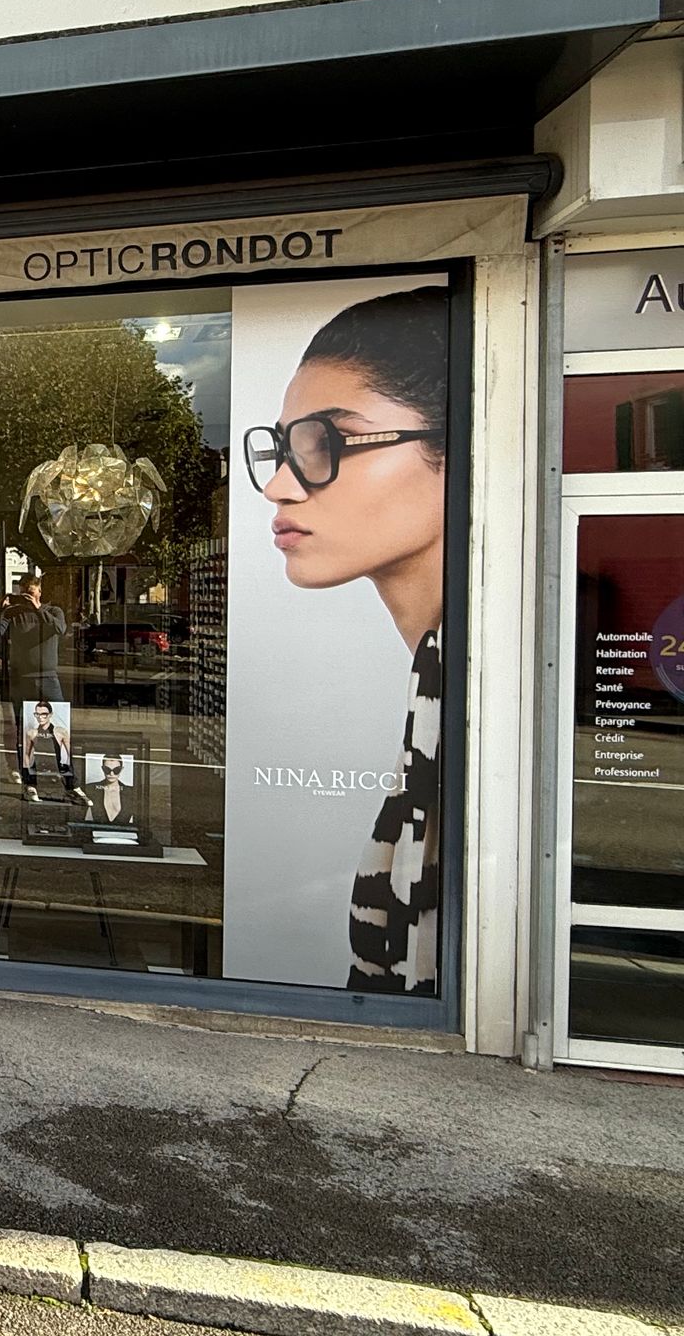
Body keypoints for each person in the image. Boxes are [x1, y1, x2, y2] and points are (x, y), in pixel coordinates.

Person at [245, 286, 448, 996]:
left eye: (325, 443)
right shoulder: (441, 687)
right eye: (282, 448)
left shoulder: (479, 707)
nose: (277, 486)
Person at [0, 572, 69, 796]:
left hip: (48, 677)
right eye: (24, 592)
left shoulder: (52, 611)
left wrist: (37, 609)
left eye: (32, 591)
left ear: (39, 591)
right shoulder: (14, 614)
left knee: (61, 731)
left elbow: (59, 629)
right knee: (27, 733)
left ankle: (69, 781)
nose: (27, 596)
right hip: (22, 678)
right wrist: (1, 611)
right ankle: (30, 782)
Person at [21, 700, 74, 802]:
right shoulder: (31, 733)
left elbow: (70, 754)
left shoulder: (60, 732)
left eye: (44, 714)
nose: (40, 717)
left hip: (56, 769)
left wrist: (68, 775)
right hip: (38, 769)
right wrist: (29, 776)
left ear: (50, 715)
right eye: (37, 714)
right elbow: (27, 754)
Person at [82, 756, 138, 827]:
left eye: (116, 770)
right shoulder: (90, 789)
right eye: (107, 770)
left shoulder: (131, 793)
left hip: (124, 835)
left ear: (121, 769)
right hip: (98, 833)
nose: (111, 774)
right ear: (102, 769)